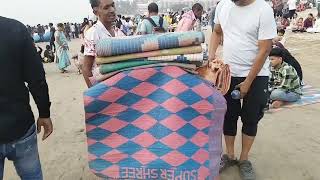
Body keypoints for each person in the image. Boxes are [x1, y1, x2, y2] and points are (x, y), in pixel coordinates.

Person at [209, 0, 277, 179]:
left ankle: (244, 159)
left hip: (257, 74)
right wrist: (211, 58)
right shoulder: (223, 6)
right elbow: (217, 32)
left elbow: (265, 49)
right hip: (229, 72)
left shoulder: (263, 9)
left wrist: (248, 82)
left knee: (250, 117)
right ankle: (230, 155)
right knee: (228, 115)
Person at [0, 16, 53, 180]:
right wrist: (44, 113)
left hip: (20, 124)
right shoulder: (15, 29)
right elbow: (36, 77)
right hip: (20, 124)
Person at [83, 0, 125, 87]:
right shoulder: (93, 33)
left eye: (113, 5)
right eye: (106, 7)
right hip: (104, 86)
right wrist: (95, 93)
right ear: (96, 12)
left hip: (121, 84)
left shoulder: (119, 32)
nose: (112, 10)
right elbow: (86, 68)